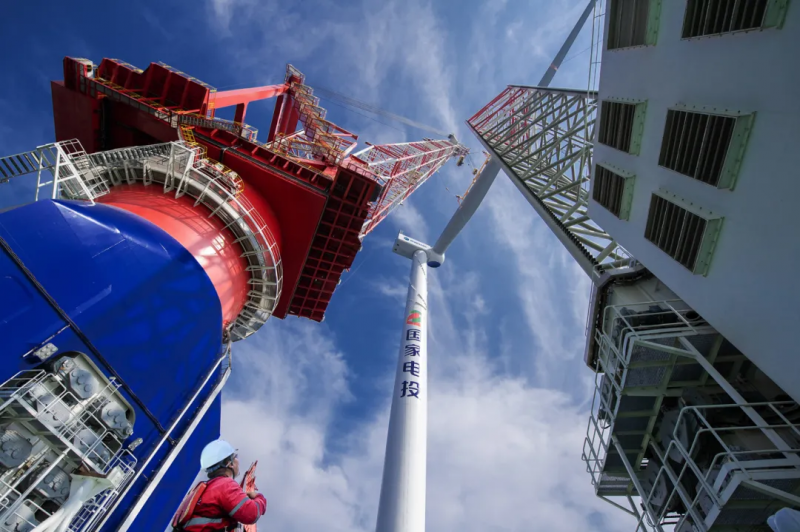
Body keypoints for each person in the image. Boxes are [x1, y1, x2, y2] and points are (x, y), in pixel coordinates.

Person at [173, 440, 267, 531]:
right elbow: (251, 514)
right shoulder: (225, 485)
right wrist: (259, 498)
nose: (238, 460)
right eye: (235, 456)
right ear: (230, 463)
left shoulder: (201, 489)